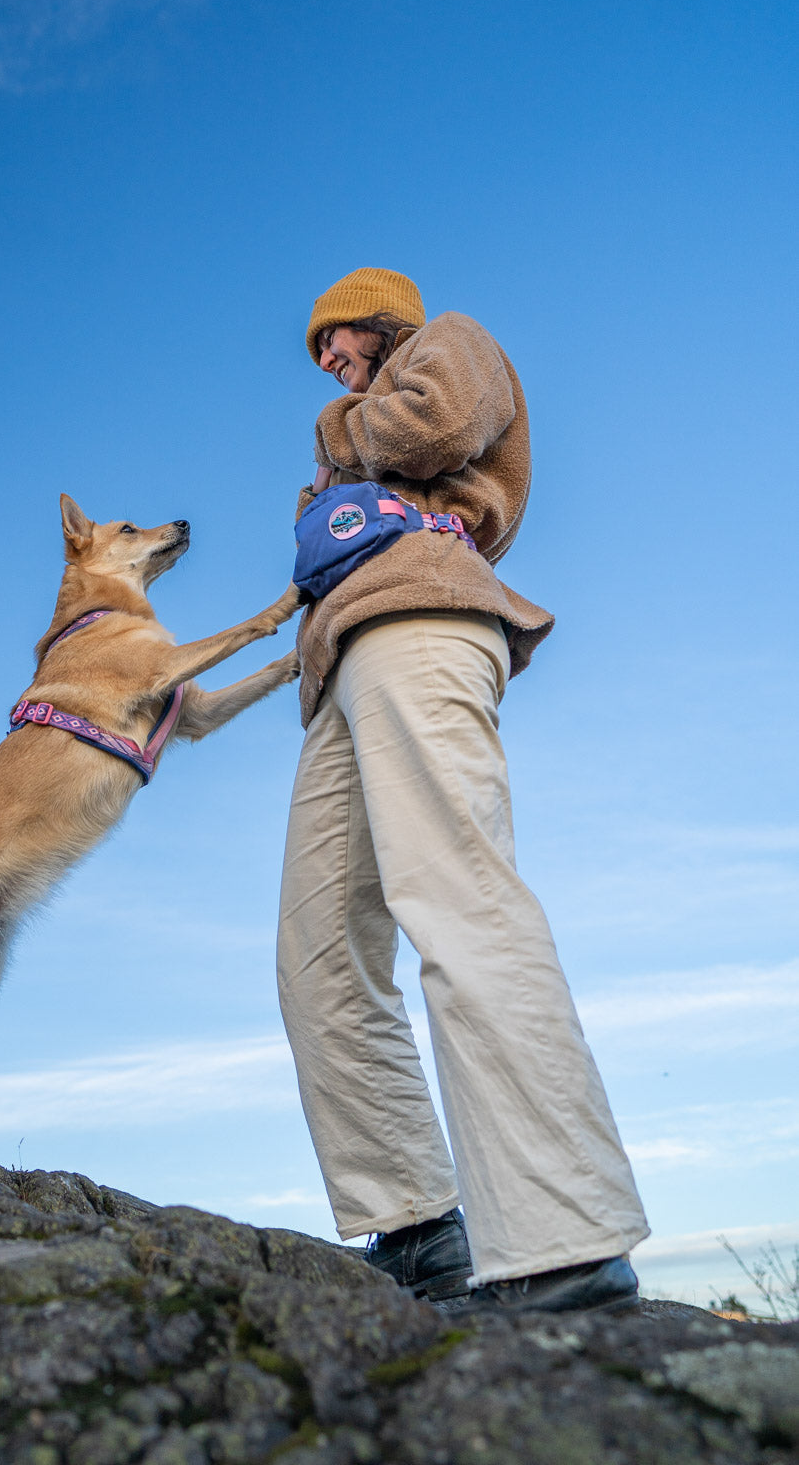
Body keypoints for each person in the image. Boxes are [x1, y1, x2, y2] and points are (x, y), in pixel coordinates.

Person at [278, 267, 648, 1311]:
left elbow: (429, 426)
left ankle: (563, 1238)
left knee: (456, 895)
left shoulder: (447, 341)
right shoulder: (355, 420)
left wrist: (335, 432)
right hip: (336, 669)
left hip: (423, 617)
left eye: (333, 338)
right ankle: (415, 1228)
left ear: (378, 318)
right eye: (319, 354)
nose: (326, 359)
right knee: (317, 954)